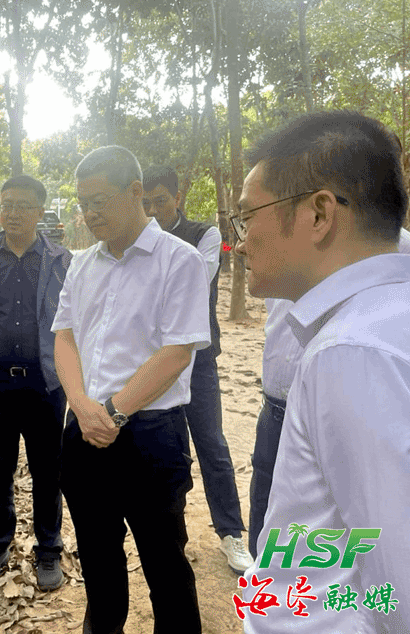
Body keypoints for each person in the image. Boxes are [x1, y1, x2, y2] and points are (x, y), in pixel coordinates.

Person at [234, 111, 410, 632]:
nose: (241, 241)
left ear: (319, 214)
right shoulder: (391, 319)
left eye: (247, 217)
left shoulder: (354, 353)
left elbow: (407, 589)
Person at [52, 146, 209, 633]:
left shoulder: (179, 260)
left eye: (99, 201)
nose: (89, 213)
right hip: (85, 430)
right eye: (83, 203)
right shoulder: (82, 264)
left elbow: (177, 351)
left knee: (165, 562)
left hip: (150, 435)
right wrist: (82, 406)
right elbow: (64, 337)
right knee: (98, 560)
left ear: (136, 191)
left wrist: (114, 413)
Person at [0, 175, 72, 591]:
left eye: (22, 205)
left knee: (48, 472)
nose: (13, 213)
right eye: (7, 205)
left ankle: (48, 550)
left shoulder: (62, 262)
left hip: (46, 384)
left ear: (40, 212)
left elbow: (77, 323)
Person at [142, 165, 253, 574]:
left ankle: (231, 533)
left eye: (160, 201)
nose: (153, 210)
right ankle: (172, 536)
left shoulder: (204, 234)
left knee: (211, 445)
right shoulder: (137, 241)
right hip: (153, 358)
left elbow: (195, 280)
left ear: (177, 198)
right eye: (146, 203)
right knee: (165, 449)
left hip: (197, 358)